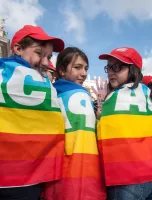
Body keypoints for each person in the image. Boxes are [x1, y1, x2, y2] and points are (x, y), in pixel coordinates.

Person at [0, 25, 65, 200]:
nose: (45, 62)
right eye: (39, 53)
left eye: (49, 57)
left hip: (29, 183)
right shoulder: (46, 85)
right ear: (18, 48)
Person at [97, 47, 152, 200]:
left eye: (117, 66)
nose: (110, 72)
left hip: (126, 180)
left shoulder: (114, 97)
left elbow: (101, 137)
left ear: (132, 69)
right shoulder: (147, 95)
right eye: (109, 67)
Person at [44, 47, 106, 200]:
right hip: (82, 171)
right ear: (62, 70)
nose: (84, 73)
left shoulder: (49, 94)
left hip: (58, 172)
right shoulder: (79, 94)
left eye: (85, 68)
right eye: (77, 67)